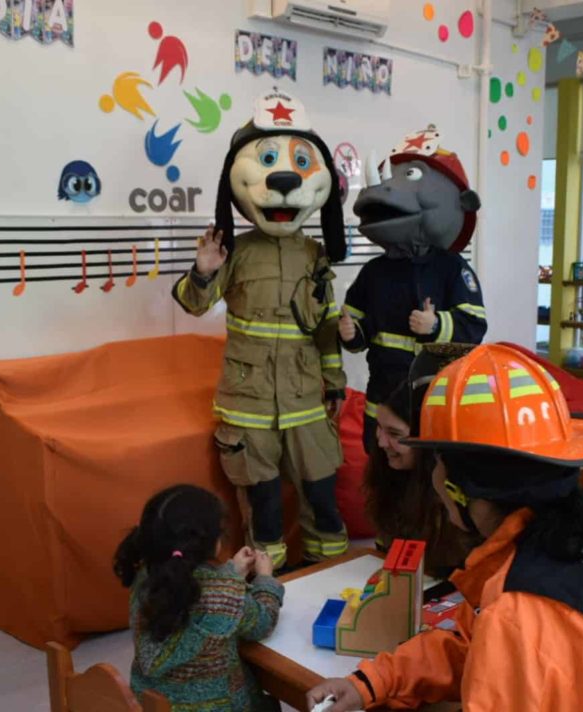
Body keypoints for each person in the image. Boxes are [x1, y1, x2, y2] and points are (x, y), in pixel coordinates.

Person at [307, 344, 583, 712]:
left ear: (460, 491)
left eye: (438, 463)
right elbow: (468, 644)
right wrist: (371, 682)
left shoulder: (516, 612)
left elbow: (500, 644)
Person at [172, 89, 349, 569]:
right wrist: (205, 269)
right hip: (248, 405)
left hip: (306, 401)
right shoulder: (235, 250)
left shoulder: (314, 255)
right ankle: (270, 591)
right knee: (265, 511)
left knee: (324, 504)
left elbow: (326, 323)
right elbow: (194, 304)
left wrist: (334, 381)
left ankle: (328, 576)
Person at [339, 126, 487, 452]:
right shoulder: (374, 272)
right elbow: (360, 333)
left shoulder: (452, 268)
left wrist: (437, 326)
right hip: (382, 402)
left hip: (432, 401)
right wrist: (351, 334)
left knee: (428, 480)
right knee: (380, 473)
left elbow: (474, 326)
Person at [114, 484, 284, 711]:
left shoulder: (146, 574)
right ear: (212, 543)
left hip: (151, 702)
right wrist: (265, 579)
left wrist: (231, 572)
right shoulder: (221, 594)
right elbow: (263, 623)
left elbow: (198, 588)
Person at [365, 367, 477, 579]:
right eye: (379, 427)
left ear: (429, 440)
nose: (380, 442)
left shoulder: (460, 497)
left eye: (394, 434)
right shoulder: (389, 474)